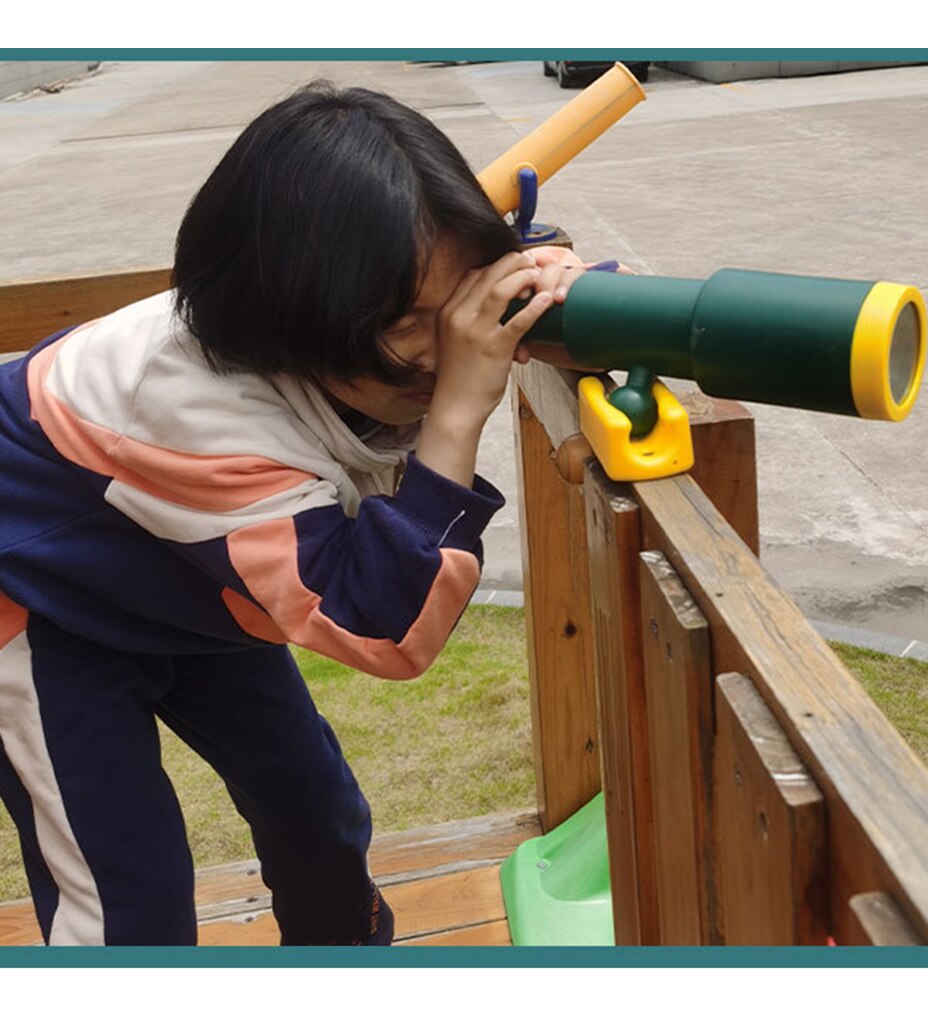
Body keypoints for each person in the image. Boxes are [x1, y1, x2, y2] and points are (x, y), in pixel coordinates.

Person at [0, 81, 591, 946]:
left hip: (177, 583)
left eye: (465, 306)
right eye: (409, 324)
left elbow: (484, 280)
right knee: (125, 891)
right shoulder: (194, 410)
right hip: (40, 604)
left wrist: (544, 274)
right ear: (292, 311)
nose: (457, 344)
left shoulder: (327, 324)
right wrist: (460, 409)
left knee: (318, 813)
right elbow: (382, 628)